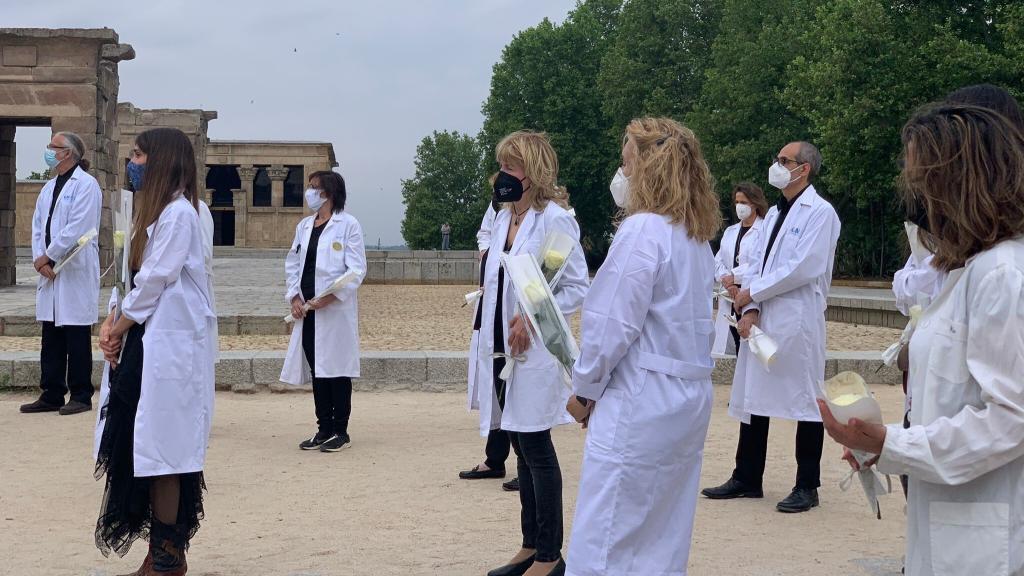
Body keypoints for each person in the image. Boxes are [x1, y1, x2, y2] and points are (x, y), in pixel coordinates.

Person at [820, 102, 1024, 576]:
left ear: (962, 181)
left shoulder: (1003, 275)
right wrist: (883, 441)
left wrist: (895, 445)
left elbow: (1011, 418)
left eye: (922, 181)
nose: (918, 199)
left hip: (987, 544)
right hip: (954, 526)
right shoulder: (969, 272)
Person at [563, 118, 722, 576]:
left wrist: (585, 390)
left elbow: (610, 325)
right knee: (664, 531)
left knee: (608, 530)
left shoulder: (642, 231)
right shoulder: (696, 239)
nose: (622, 172)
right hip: (686, 398)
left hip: (641, 397)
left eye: (627, 161)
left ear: (648, 168)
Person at [93, 127, 217, 575]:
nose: (132, 163)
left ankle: (168, 556)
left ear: (161, 160)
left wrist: (118, 326)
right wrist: (114, 321)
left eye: (139, 155)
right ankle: (160, 551)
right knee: (143, 445)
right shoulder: (152, 214)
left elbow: (155, 281)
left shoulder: (181, 214)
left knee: (164, 451)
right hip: (147, 340)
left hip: (168, 344)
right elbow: (130, 279)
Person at [702, 141, 841, 513]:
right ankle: (747, 476)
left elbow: (804, 267)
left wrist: (752, 292)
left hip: (798, 318)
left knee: (806, 399)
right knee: (753, 394)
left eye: (784, 161)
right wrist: (749, 306)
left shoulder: (820, 213)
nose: (776, 166)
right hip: (763, 313)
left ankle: (807, 484)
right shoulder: (776, 213)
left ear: (804, 168)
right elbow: (758, 263)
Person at [478, 131, 588, 576]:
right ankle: (528, 546)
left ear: (533, 172)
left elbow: (575, 285)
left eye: (511, 167)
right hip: (501, 347)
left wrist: (532, 318)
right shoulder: (503, 219)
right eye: (501, 166)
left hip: (534, 348)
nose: (502, 175)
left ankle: (549, 555)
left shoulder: (555, 221)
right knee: (519, 445)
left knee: (536, 445)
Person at [280, 170, 366, 453]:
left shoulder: (348, 225)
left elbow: (356, 269)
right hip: (308, 311)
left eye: (314, 187)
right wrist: (294, 296)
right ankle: (323, 428)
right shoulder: (305, 226)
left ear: (328, 192)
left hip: (334, 311)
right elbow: (293, 263)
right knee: (318, 369)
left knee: (337, 371)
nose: (309, 192)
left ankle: (340, 431)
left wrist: (331, 296)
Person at [20, 131, 101, 416]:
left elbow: (77, 227)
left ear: (68, 153)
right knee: (51, 334)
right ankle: (51, 392)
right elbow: (38, 226)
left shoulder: (86, 185)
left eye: (53, 147)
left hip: (73, 267)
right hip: (49, 269)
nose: (48, 150)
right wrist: (39, 259)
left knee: (76, 333)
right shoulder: (48, 187)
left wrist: (50, 256)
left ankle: (81, 394)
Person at [461, 197, 519, 493]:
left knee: (516, 390)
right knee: (496, 385)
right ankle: (495, 458)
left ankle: (527, 463)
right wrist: (487, 254)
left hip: (517, 316)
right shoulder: (499, 209)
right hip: (491, 308)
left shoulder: (547, 215)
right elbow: (485, 233)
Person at [711, 182, 768, 356]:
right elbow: (718, 261)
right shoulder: (730, 231)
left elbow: (761, 262)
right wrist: (728, 281)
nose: (739, 206)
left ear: (755, 204)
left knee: (755, 348)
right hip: (729, 296)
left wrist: (735, 277)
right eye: (737, 202)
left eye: (743, 202)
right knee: (733, 345)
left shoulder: (764, 229)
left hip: (751, 295)